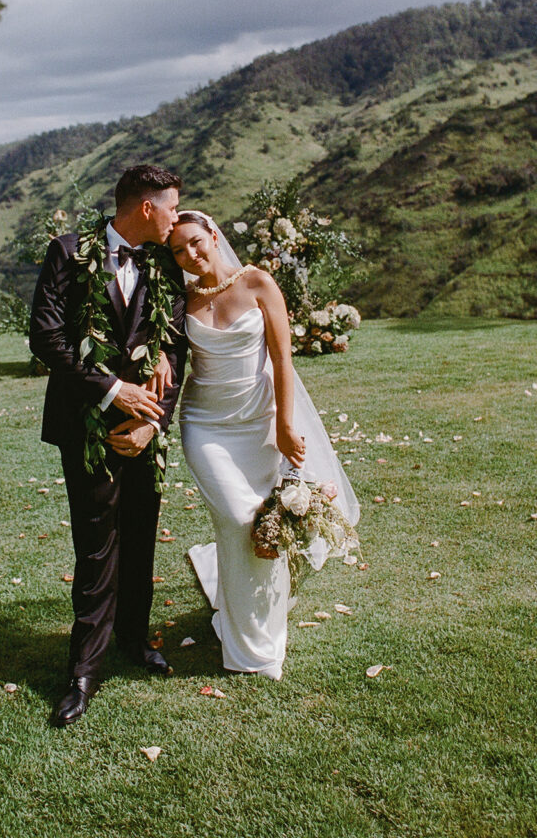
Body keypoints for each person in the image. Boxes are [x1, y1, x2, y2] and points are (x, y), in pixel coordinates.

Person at [170, 211, 359, 681]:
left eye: (195, 242)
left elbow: (282, 357)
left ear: (214, 235)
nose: (190, 255)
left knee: (259, 525)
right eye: (178, 250)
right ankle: (249, 646)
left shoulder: (257, 283)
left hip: (258, 421)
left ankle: (259, 620)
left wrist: (284, 424)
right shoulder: (181, 298)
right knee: (237, 519)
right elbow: (167, 350)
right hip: (205, 424)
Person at [30, 165, 186, 725]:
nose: (176, 217)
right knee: (97, 544)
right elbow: (46, 335)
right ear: (146, 207)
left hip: (142, 430)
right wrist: (113, 392)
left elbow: (177, 348)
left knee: (141, 532)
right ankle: (84, 670)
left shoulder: (166, 262)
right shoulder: (68, 253)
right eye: (171, 207)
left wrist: (153, 420)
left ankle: (133, 640)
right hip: (86, 424)